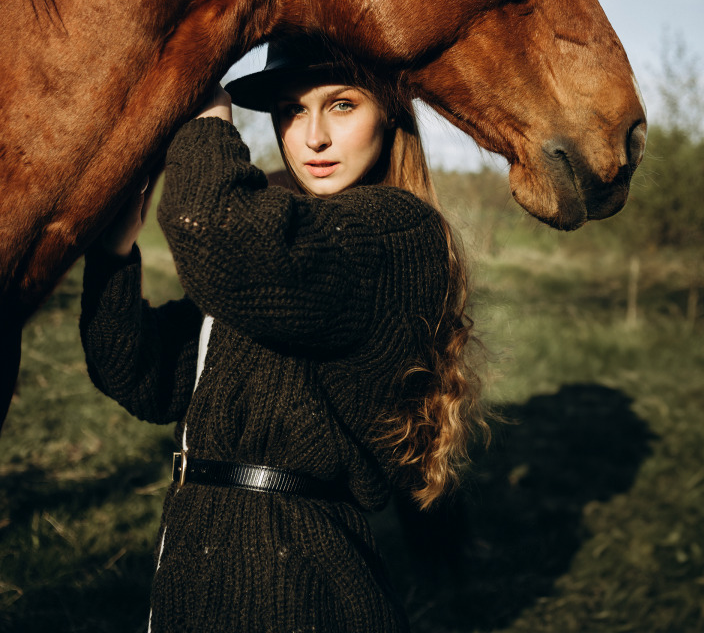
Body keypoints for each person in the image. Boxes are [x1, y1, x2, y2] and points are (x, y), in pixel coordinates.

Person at [80, 35, 481, 633]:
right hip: (192, 559)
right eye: (293, 110)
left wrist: (208, 119)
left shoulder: (401, 234)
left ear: (389, 113)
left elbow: (213, 230)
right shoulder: (279, 229)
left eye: (341, 104)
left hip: (300, 581)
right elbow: (144, 378)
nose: (313, 136)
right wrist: (114, 252)